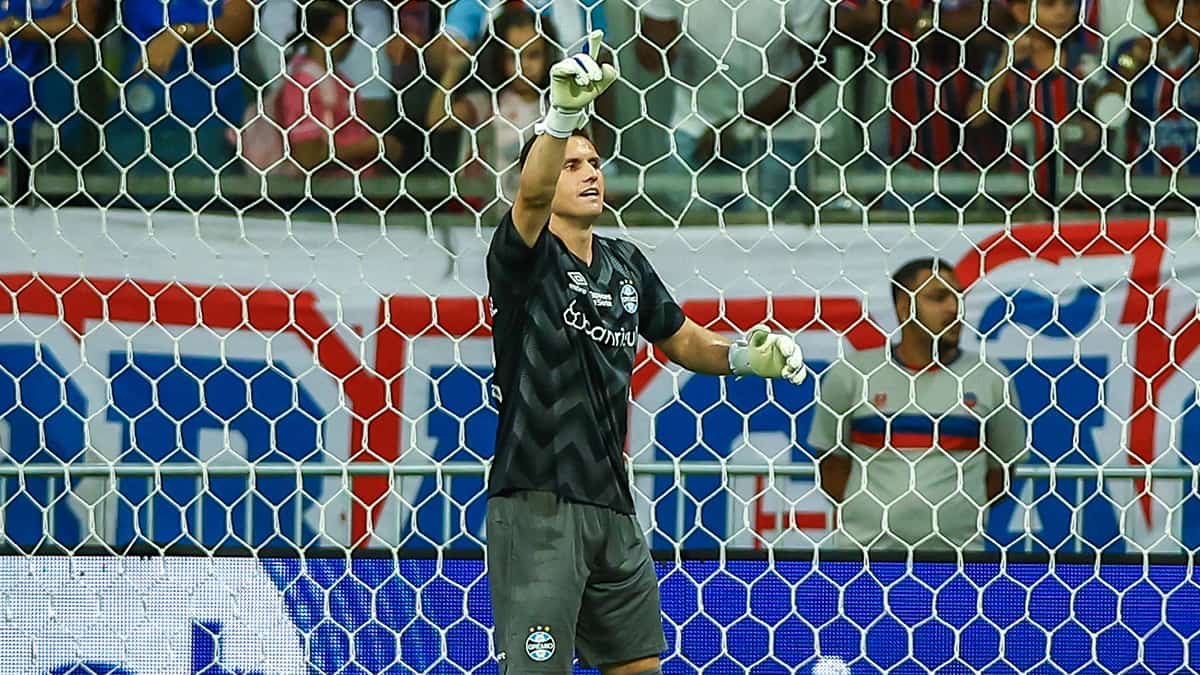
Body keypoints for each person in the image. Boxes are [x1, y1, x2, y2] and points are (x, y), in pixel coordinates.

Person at [485, 32, 807, 674]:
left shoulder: (626, 264)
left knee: (640, 667)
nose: (590, 172)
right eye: (572, 164)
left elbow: (684, 340)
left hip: (615, 505)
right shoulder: (525, 260)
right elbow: (528, 199)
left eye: (594, 161)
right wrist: (562, 115)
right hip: (539, 504)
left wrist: (746, 356)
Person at [809, 258, 1027, 551]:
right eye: (938, 298)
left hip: (957, 562)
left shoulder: (990, 377)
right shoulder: (853, 373)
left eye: (958, 297)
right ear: (903, 307)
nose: (954, 309)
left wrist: (949, 519)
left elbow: (1001, 475)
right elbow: (832, 470)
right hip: (864, 561)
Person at [636, 0, 829, 215]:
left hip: (779, 134)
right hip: (696, 127)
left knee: (771, 239)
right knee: (692, 238)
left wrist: (740, 127)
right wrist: (655, 28)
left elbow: (819, 69)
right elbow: (652, 57)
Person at [965, 0, 1100, 205]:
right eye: (1049, 4)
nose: (1061, 12)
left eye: (1068, 4)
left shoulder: (1085, 60)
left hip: (1078, 190)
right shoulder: (1004, 58)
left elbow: (1108, 114)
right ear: (1021, 12)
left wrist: (1090, 128)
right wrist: (1006, 62)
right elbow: (976, 116)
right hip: (1014, 190)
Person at [105, 0, 253, 177]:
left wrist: (182, 32)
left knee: (204, 196)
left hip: (206, 118)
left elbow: (238, 24)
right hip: (135, 117)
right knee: (126, 196)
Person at [426, 6, 556, 202]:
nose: (524, 66)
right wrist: (453, 71)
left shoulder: (556, 109)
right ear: (499, 58)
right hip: (488, 213)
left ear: (548, 55)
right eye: (513, 56)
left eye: (533, 55)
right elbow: (437, 119)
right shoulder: (487, 105)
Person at [275, 0, 401, 175]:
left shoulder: (337, 80)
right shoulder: (303, 84)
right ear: (321, 33)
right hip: (327, 197)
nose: (353, 41)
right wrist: (370, 146)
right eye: (347, 34)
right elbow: (307, 157)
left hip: (352, 190)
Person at [1098, 0, 1200, 176]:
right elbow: (1105, 113)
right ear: (1149, 7)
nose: (1180, 13)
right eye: (1169, 5)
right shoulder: (1132, 50)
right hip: (1142, 186)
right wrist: (1129, 68)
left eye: (1189, 4)